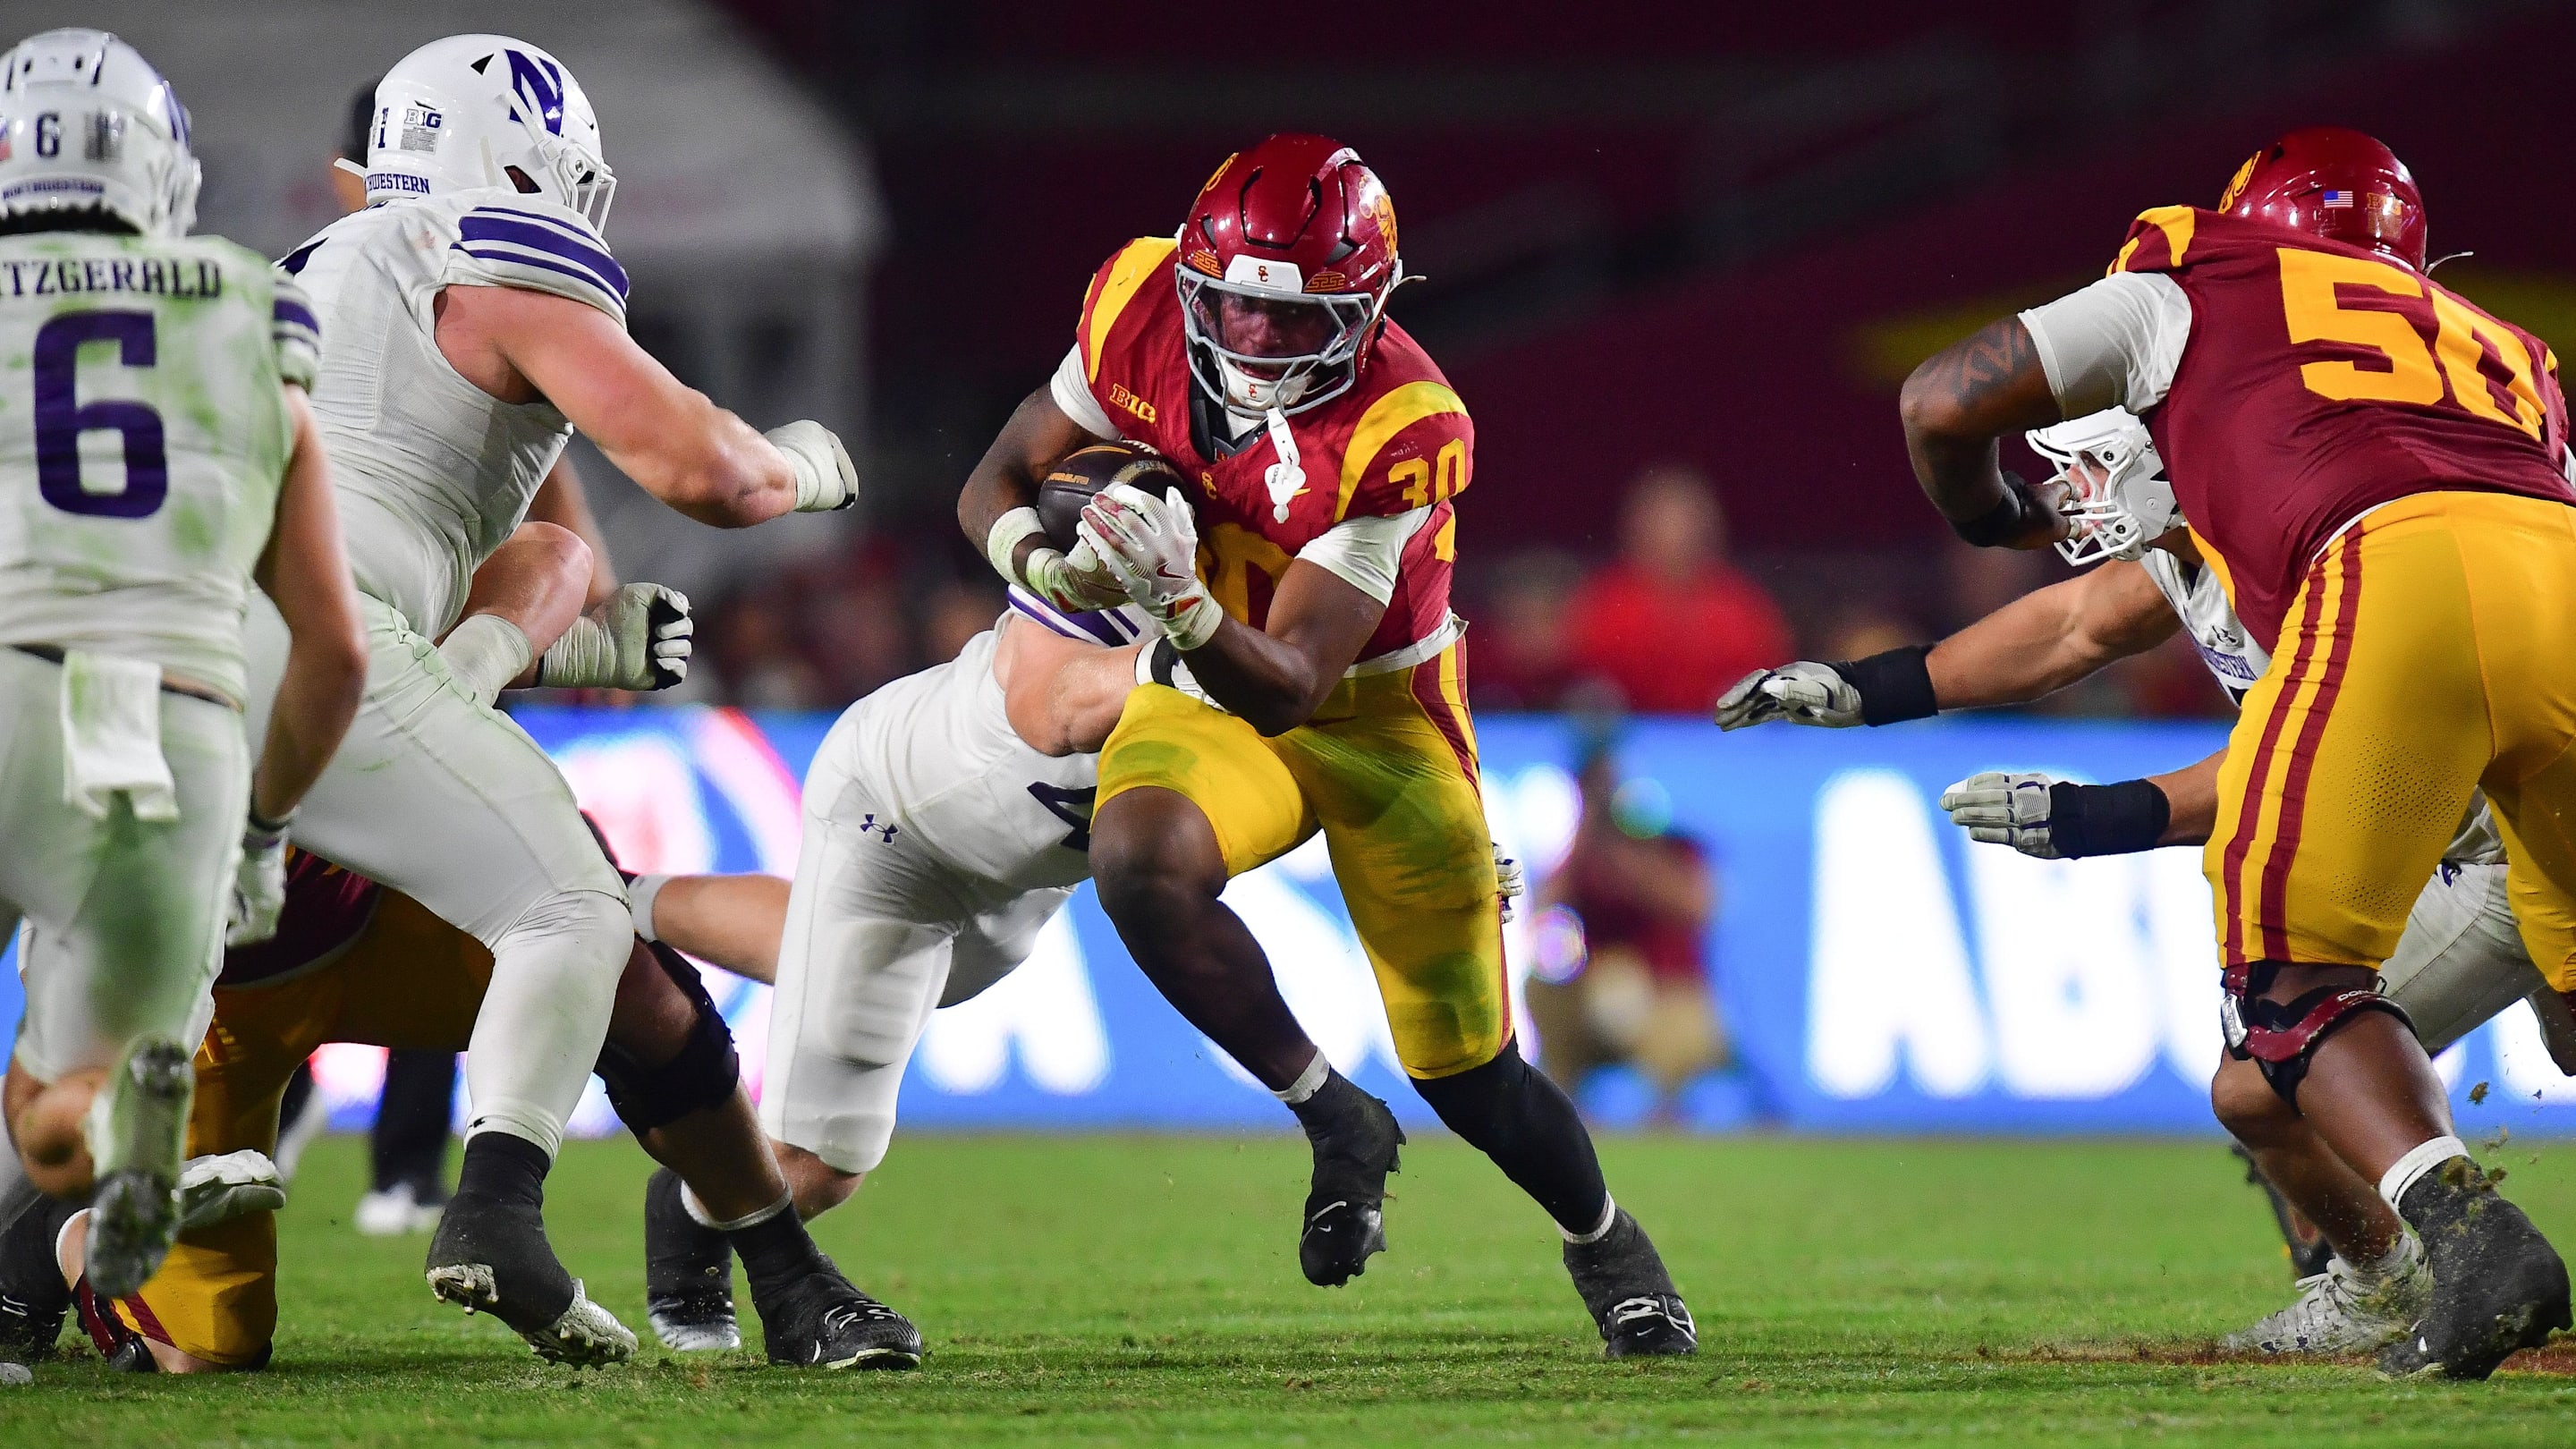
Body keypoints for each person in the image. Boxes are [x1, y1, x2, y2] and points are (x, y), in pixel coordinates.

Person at [955, 133, 1695, 1356]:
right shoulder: (1138, 299)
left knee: (1470, 1072)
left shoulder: (1408, 420)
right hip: (1202, 685)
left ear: (1367, 315)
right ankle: (1331, 1115)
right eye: (1234, 310)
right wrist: (1049, 565)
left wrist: (1181, 599)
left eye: (1293, 326)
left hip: (1374, 715)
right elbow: (996, 476)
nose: (1252, 346)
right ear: (1193, 286)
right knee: (1138, 862)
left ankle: (1605, 1238)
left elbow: (1295, 683)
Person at [1891, 126, 2576, 1379]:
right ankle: (2388, 1269)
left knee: (2286, 990)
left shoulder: (2202, 278)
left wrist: (1990, 515)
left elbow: (1941, 398)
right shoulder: (2501, 343)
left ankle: (2480, 1250)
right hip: (2560, 567)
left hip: (2398, 569)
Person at [1719, 404, 2576, 1354]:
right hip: (2447, 837)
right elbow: (2070, 627)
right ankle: (2378, 1282)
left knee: (2282, 1066)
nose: (2077, 493)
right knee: (2258, 1084)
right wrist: (1865, 692)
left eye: (2103, 464)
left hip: (2507, 840)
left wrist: (2097, 816)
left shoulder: (2301, 560)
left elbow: (2296, 769)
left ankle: (2399, 1279)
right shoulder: (2200, 544)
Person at [251, 32, 856, 1364]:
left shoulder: (290, 275)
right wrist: (805, 466)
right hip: (330, 671)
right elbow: (712, 475)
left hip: (185, 680)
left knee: (129, 1078)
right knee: (578, 907)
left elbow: (522, 547)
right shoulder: (504, 261)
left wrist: (563, 649)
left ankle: (25, 1279)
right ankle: (497, 1211)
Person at [0, 538, 912, 1373]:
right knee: (208, 1351)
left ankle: (789, 1276)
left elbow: (546, 554)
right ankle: (62, 1238)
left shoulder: (288, 487)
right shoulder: (56, 647)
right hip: (207, 1001)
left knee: (611, 955)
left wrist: (503, 656)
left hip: (379, 913)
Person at [0, 28, 366, 1304]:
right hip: (180, 721)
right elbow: (332, 648)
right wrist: (262, 836)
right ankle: (113, 1126)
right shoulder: (245, 305)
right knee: (60, 1105)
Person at [634, 584, 1150, 1350]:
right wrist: (1195, 649)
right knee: (823, 1162)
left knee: (842, 950)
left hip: (1023, 873)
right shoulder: (1136, 516)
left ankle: (620, 901)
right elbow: (1058, 703)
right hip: (906, 820)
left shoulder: (1314, 573)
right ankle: (687, 1208)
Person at [1524, 746, 1725, 1112]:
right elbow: (1543, 911)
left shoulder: (1674, 848)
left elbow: (1700, 908)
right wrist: (1584, 839)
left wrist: (1632, 861)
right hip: (1598, 993)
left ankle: (1666, 1117)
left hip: (1670, 995)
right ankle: (1562, 1113)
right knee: (1546, 986)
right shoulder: (1583, 858)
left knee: (1652, 1014)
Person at [1563, 466, 1792, 715]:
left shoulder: (1743, 611)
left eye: (1685, 524)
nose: (1675, 537)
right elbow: (1582, 688)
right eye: (1661, 523)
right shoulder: (1603, 606)